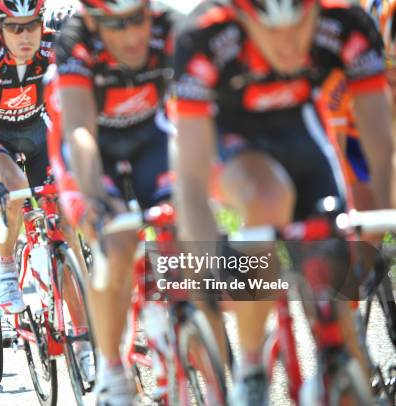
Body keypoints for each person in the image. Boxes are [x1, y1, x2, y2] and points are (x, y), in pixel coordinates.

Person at [171, 0, 393, 404]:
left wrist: (378, 224)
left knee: (343, 323)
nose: (288, 45)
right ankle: (252, 371)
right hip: (230, 141)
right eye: (272, 31)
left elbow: (383, 151)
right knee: (267, 198)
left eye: (299, 26)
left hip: (300, 133)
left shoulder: (344, 24)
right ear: (242, 19)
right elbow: (189, 177)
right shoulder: (204, 38)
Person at [48, 0, 178, 403]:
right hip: (92, 146)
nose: (133, 34)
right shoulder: (75, 41)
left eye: (139, 19)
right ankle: (111, 367)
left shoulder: (172, 26)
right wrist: (96, 199)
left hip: (151, 138)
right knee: (116, 243)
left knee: (186, 225)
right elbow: (80, 133)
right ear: (92, 20)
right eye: (117, 25)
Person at [0, 0, 95, 380]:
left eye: (32, 26)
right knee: (16, 189)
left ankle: (85, 341)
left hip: (39, 131)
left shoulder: (55, 46)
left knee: (66, 231)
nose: (25, 36)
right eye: (15, 28)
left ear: (42, 22)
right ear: (0, 26)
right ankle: (5, 265)